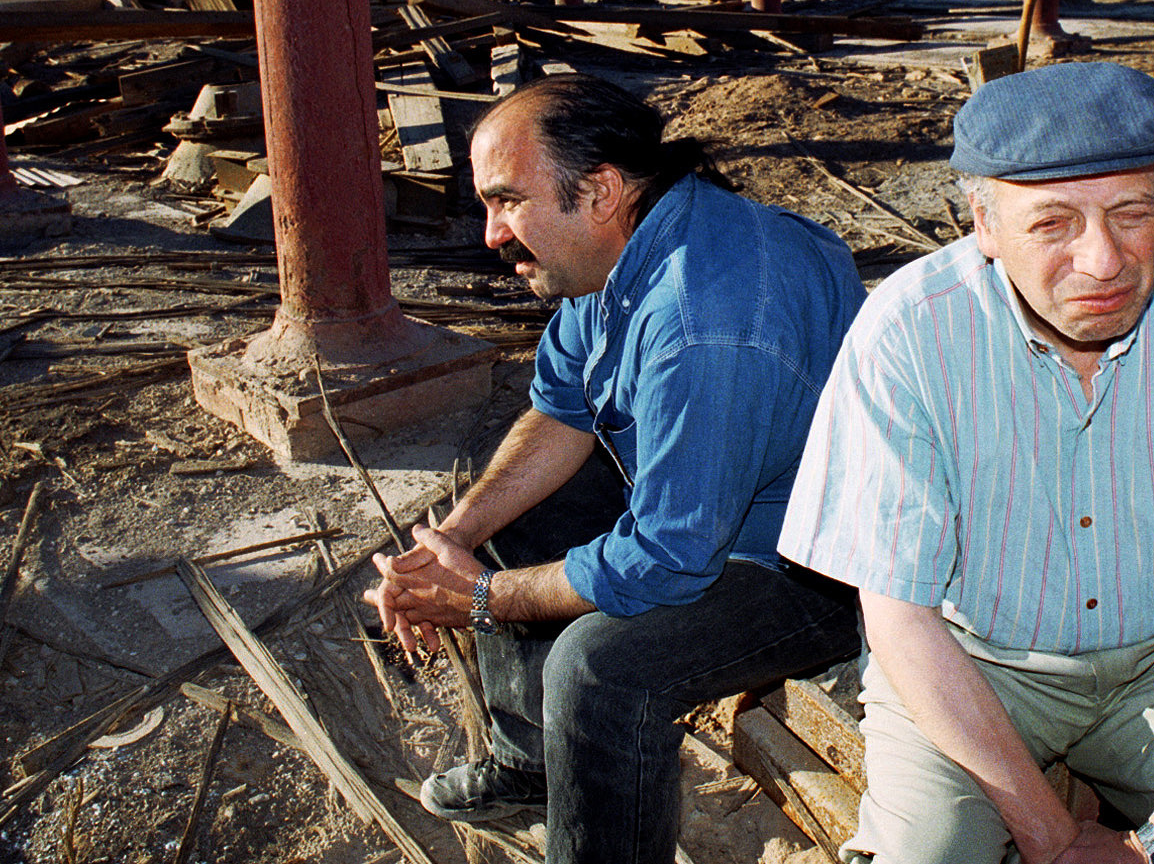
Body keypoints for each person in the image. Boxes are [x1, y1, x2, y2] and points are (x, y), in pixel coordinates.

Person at [778, 62, 1154, 864]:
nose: (1103, 260)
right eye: (1053, 223)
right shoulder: (908, 334)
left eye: (1131, 213)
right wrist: (1052, 837)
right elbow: (899, 616)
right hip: (972, 662)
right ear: (982, 224)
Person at [368, 72, 865, 864]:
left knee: (597, 670)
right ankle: (531, 765)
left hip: (813, 567)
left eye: (507, 201)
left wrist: (484, 600)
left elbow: (666, 562)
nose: (491, 234)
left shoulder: (703, 323)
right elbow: (562, 406)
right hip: (709, 498)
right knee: (510, 516)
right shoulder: (621, 252)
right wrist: (454, 541)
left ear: (599, 191)